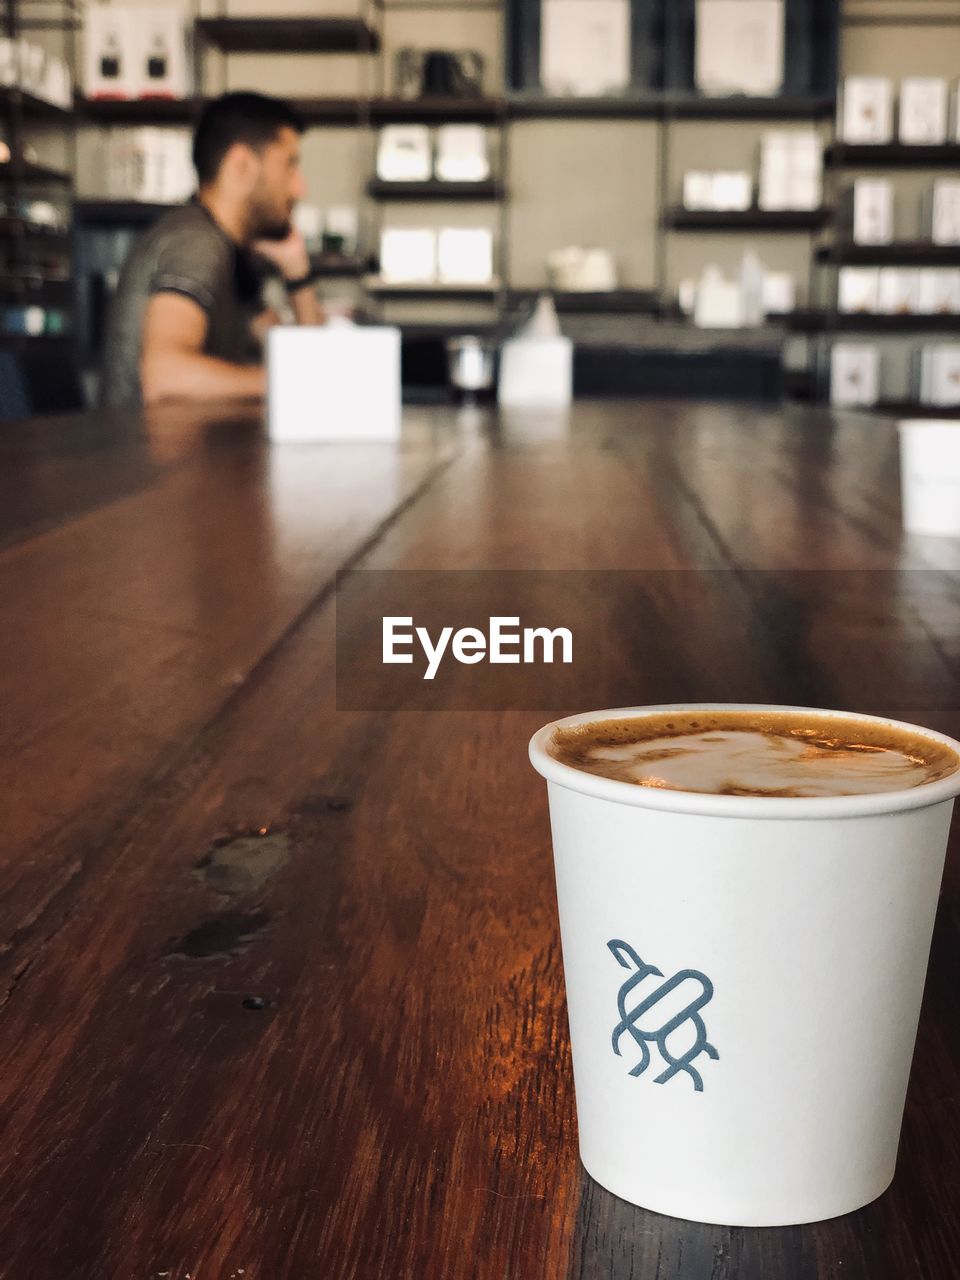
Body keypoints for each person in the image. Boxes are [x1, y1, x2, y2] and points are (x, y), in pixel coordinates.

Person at [100, 91, 327, 408]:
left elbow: (308, 361)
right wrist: (298, 383)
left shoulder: (228, 252)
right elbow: (164, 377)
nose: (299, 187)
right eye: (290, 165)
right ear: (242, 166)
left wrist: (297, 271)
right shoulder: (196, 241)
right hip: (144, 456)